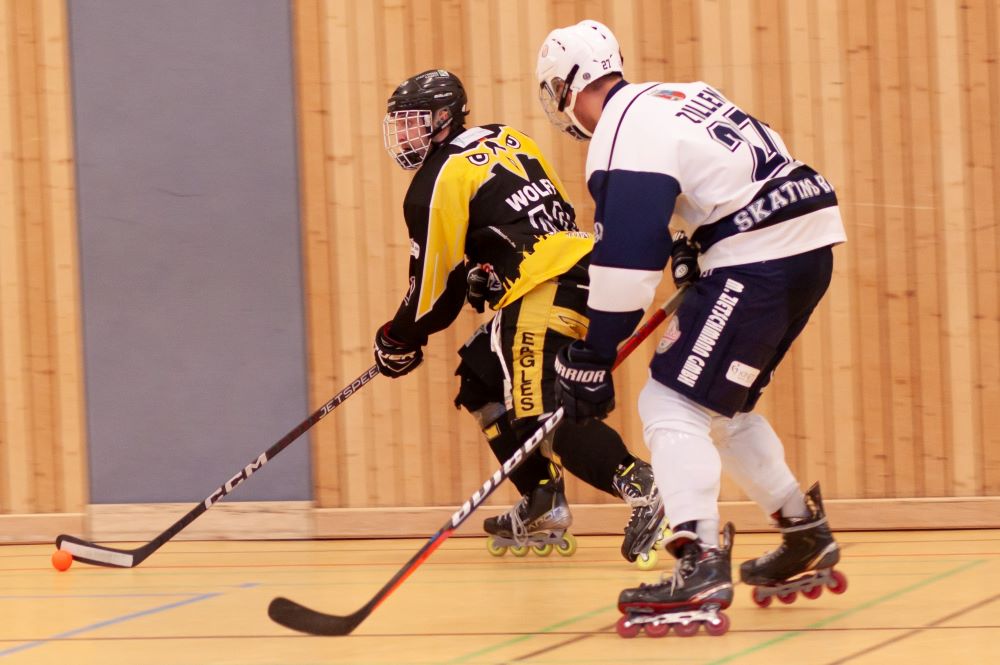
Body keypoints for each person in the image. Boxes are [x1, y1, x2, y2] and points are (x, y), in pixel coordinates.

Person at [536, 21, 848, 636]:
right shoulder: (679, 95)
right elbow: (735, 176)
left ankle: (700, 560)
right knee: (720, 411)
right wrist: (697, 245)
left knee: (669, 404)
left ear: (568, 87)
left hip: (760, 255)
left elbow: (626, 265)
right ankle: (800, 530)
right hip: (806, 244)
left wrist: (592, 356)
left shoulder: (619, 134)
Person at [372, 68, 667, 563]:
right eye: (398, 123)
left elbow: (432, 296)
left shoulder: (434, 179)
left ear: (443, 118)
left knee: (541, 414)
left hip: (543, 288)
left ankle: (645, 486)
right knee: (481, 378)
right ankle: (542, 499)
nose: (403, 135)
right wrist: (492, 271)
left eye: (412, 122)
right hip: (582, 270)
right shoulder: (509, 137)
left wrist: (398, 337)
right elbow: (544, 217)